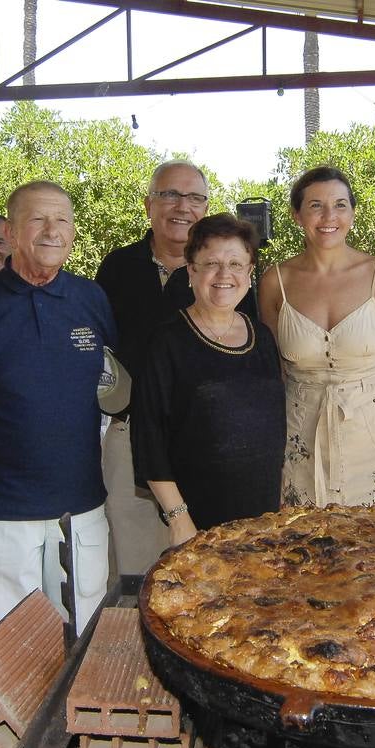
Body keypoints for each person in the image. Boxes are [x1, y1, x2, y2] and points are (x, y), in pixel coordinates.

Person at [0, 180, 115, 643]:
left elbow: (114, 385)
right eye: (38, 219)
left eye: (63, 219)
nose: (52, 230)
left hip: (80, 506)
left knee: (81, 641)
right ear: (13, 233)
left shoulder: (91, 299)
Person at [96, 161, 259, 586]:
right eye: (169, 194)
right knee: (138, 576)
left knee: (201, 578)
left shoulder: (224, 277)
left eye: (194, 197)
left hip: (208, 449)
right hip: (131, 436)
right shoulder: (118, 268)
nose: (181, 206)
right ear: (149, 203)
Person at [259, 166, 375, 508]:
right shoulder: (276, 281)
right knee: (304, 551)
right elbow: (272, 372)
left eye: (340, 205)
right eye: (316, 205)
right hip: (300, 435)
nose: (329, 216)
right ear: (296, 215)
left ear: (352, 212)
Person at [132, 214, 285, 545]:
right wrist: (178, 518)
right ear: (192, 271)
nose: (224, 274)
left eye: (235, 263)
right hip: (196, 522)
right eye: (211, 263)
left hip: (263, 520)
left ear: (249, 272)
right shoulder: (167, 342)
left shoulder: (261, 336)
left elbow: (274, 425)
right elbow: (148, 438)